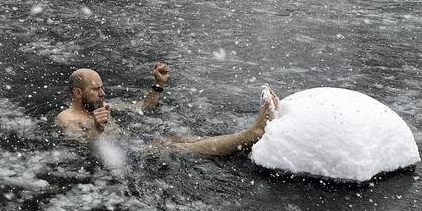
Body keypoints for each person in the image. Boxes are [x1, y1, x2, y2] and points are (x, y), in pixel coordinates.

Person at [55, 63, 278, 156]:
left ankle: (240, 140)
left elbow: (145, 107)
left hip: (133, 142)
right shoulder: (66, 118)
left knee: (178, 136)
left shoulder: (100, 106)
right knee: (176, 147)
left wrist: (158, 84)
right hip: (125, 154)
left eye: (102, 88)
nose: (102, 93)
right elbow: (86, 146)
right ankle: (250, 135)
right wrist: (97, 129)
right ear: (77, 93)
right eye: (96, 89)